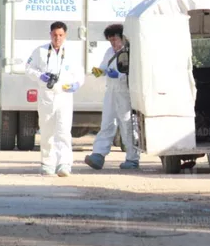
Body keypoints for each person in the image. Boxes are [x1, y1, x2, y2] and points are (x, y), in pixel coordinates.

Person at [26, 21, 84, 177]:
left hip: (64, 96)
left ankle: (64, 164)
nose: (57, 38)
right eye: (55, 35)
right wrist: (40, 76)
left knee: (64, 131)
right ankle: (47, 164)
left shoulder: (71, 52)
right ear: (50, 34)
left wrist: (76, 84)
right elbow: (28, 68)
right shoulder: (40, 51)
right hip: (47, 96)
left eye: (60, 35)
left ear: (65, 35)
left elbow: (79, 73)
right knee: (46, 131)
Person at [84, 24, 141, 171]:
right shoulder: (109, 51)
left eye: (115, 40)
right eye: (110, 41)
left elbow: (134, 74)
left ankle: (132, 158)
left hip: (125, 93)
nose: (113, 44)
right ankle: (98, 155)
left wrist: (120, 76)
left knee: (128, 125)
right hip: (111, 91)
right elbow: (104, 67)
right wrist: (100, 71)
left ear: (123, 38)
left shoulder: (130, 52)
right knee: (107, 123)